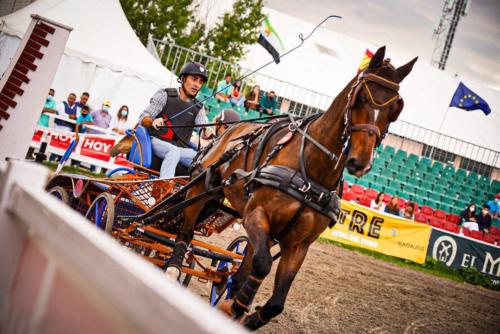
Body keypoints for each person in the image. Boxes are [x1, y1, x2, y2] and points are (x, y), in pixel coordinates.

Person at [140, 62, 212, 178]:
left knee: (202, 159)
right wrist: (153, 121)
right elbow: (143, 118)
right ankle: (163, 189)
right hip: (155, 141)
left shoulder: (198, 107)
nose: (197, 85)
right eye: (194, 79)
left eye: (200, 82)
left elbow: (203, 126)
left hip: (179, 148)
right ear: (183, 78)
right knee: (173, 151)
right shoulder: (165, 95)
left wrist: (206, 132)